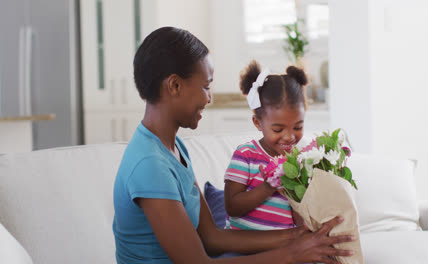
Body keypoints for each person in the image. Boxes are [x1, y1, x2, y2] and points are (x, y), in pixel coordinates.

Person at [112, 26, 355, 264]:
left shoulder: (173, 149)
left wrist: (296, 237)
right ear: (175, 86)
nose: (209, 97)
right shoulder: (150, 165)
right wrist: (291, 255)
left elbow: (212, 237)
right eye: (206, 86)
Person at [224, 61, 307, 231]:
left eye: (298, 127)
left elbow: (299, 212)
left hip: (283, 247)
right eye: (278, 129)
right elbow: (232, 207)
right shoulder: (246, 155)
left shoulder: (298, 161)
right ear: (257, 123)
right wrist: (268, 186)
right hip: (244, 246)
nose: (289, 137)